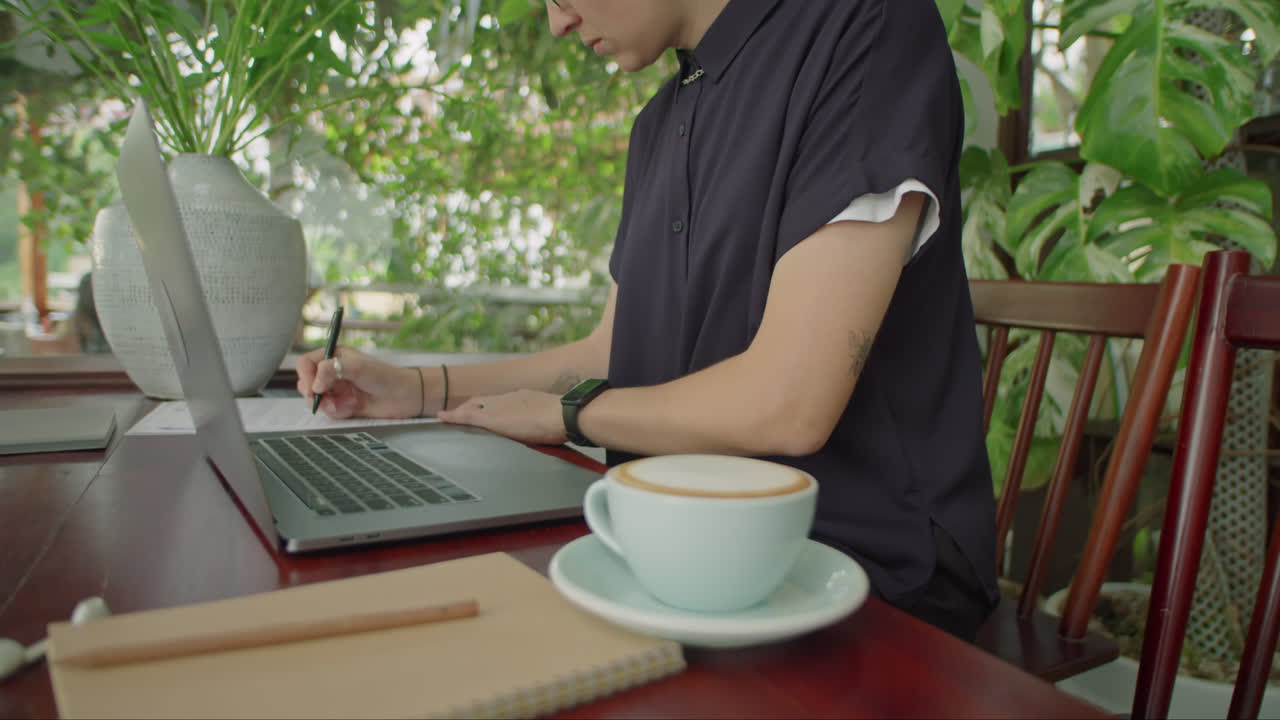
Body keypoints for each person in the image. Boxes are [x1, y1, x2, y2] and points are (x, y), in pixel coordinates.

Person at [297, 0, 999, 641]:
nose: (557, 23)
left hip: (860, 563)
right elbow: (611, 353)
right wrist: (416, 389)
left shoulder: (863, 27)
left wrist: (570, 416)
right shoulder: (659, 125)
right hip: (676, 537)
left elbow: (791, 404)